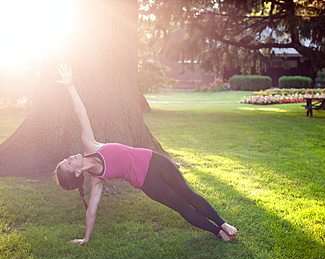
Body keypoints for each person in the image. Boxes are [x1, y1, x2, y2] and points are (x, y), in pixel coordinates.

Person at [54, 64, 237, 245]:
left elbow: (81, 113)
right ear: (77, 173)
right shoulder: (97, 180)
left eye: (66, 159)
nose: (70, 158)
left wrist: (70, 86)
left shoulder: (90, 144)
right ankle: (217, 232)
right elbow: (91, 211)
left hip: (154, 160)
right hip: (148, 183)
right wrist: (86, 238)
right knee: (182, 206)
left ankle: (223, 224)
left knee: (188, 194)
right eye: (68, 164)